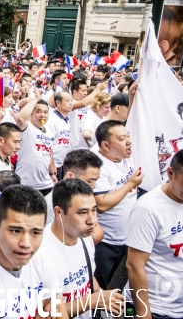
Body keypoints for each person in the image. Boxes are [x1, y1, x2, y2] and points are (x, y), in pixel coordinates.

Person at [0, 185, 67, 318]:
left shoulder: (40, 260)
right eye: (15, 231)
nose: (26, 244)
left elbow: (59, 309)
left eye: (35, 232)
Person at [39, 179, 124, 319]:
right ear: (59, 212)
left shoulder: (86, 239)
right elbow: (44, 314)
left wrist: (104, 297)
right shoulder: (40, 253)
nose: (92, 220)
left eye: (94, 210)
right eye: (83, 212)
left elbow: (87, 276)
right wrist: (91, 301)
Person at [127, 150, 183, 319]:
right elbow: (134, 266)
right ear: (171, 173)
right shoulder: (148, 209)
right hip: (159, 309)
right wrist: (144, 314)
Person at [91, 120, 143, 289]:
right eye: (121, 139)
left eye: (128, 136)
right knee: (108, 287)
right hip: (107, 243)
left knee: (125, 284)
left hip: (128, 237)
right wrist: (129, 184)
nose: (128, 141)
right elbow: (102, 205)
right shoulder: (97, 166)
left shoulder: (126, 156)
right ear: (105, 145)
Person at [15, 89, 58, 195]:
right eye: (38, 112)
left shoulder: (48, 130)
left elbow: (49, 151)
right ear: (31, 113)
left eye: (45, 112)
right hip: (26, 183)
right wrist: (35, 99)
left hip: (46, 184)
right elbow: (20, 118)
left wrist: (52, 173)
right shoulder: (27, 127)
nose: (42, 115)